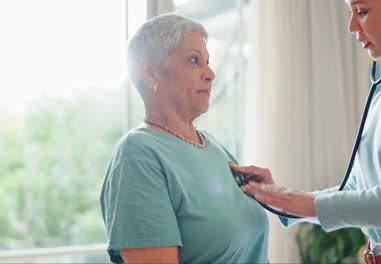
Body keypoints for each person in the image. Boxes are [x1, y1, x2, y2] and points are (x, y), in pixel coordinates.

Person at [231, 0, 381, 263]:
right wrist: (283, 200)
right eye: (350, 13)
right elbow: (361, 185)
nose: (350, 26)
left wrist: (309, 204)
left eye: (361, 12)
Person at [100, 13, 269, 264]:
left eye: (208, 61)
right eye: (194, 60)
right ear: (150, 72)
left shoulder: (213, 147)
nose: (210, 73)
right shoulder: (137, 155)